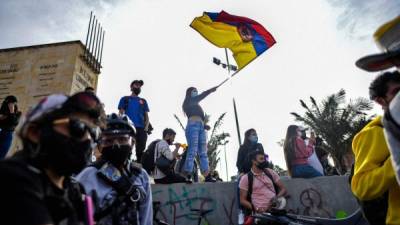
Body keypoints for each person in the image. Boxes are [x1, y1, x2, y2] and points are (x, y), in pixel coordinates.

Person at [0, 92, 103, 225]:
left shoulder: (73, 191)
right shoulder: (11, 179)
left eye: (93, 133)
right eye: (78, 127)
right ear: (35, 132)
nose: (88, 139)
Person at [76, 113, 153, 225]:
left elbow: (146, 218)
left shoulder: (141, 175)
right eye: (109, 141)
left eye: (122, 139)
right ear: (100, 145)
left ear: (132, 143)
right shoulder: (87, 176)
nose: (116, 145)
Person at [351, 71, 400, 225]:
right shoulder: (374, 132)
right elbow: (361, 186)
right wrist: (396, 161)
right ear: (381, 101)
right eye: (396, 92)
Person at [181, 85, 217, 180]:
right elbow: (201, 96)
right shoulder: (189, 101)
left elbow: (199, 117)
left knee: (203, 152)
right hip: (192, 125)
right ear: (189, 93)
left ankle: (207, 175)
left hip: (200, 126)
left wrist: (204, 125)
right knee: (192, 150)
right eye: (194, 91)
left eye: (196, 91)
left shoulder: (196, 105)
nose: (196, 92)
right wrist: (210, 90)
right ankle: (187, 174)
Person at [239, 150, 287, 215]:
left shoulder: (270, 172)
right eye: (261, 159)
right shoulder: (246, 178)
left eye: (264, 159)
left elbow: (283, 189)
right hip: (260, 214)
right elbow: (242, 200)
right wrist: (256, 209)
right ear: (254, 161)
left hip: (275, 210)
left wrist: (276, 198)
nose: (264, 161)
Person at [118, 79, 150, 162]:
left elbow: (146, 116)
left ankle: (138, 162)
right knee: (127, 146)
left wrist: (146, 127)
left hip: (141, 127)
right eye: (136, 85)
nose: (138, 87)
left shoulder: (143, 101)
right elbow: (120, 113)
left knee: (141, 148)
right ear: (131, 87)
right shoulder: (125, 99)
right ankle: (125, 161)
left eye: (139, 86)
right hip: (128, 126)